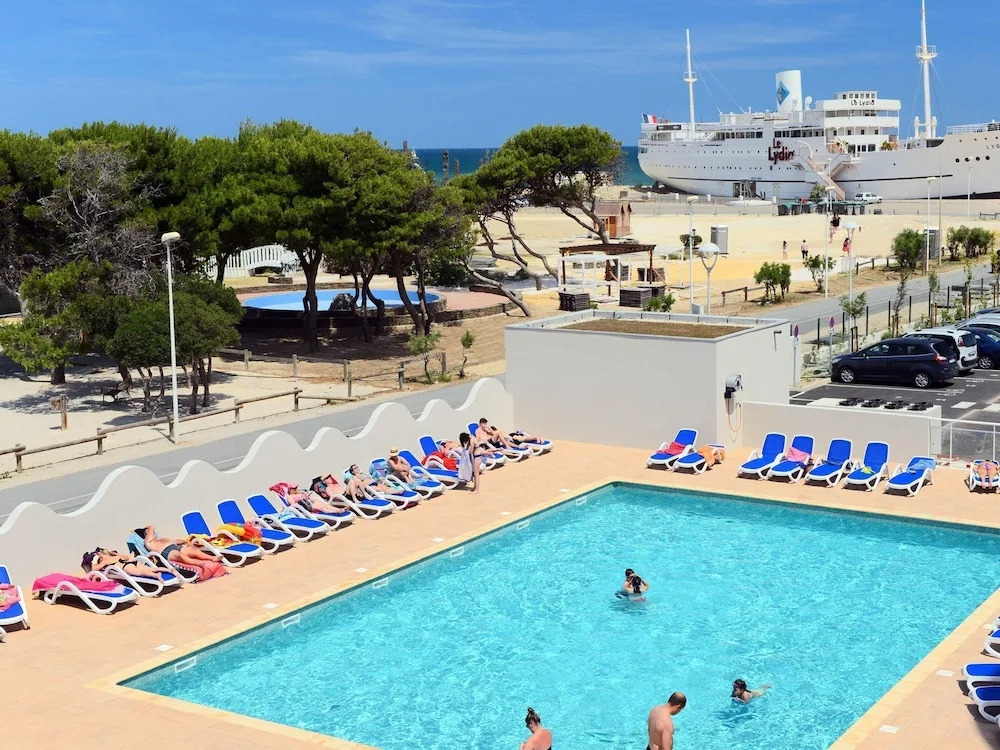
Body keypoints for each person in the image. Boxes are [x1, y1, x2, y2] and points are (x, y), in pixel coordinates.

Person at [136, 525, 227, 580]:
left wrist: (186, 541)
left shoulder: (162, 539)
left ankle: (212, 558)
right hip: (166, 552)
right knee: (180, 555)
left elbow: (175, 541)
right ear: (146, 535)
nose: (153, 533)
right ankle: (200, 564)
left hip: (174, 547)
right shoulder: (148, 543)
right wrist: (148, 528)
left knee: (193, 551)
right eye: (149, 533)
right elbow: (152, 527)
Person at [83, 547, 175, 581]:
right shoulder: (115, 556)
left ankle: (157, 576)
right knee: (152, 569)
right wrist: (116, 554)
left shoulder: (104, 561)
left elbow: (94, 570)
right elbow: (126, 557)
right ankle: (169, 570)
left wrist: (94, 561)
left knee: (140, 573)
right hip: (132, 561)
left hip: (126, 566)